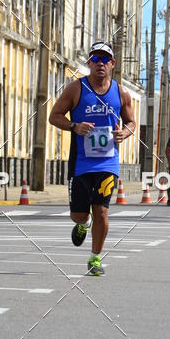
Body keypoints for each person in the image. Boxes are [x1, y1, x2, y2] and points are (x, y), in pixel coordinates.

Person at [48, 41, 136, 275]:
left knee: (102, 211)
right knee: (79, 214)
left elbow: (131, 122)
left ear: (112, 64)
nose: (100, 63)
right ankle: (83, 225)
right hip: (80, 162)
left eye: (105, 59)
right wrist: (74, 125)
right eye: (95, 59)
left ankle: (95, 258)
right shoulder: (76, 89)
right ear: (89, 63)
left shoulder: (120, 92)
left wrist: (124, 133)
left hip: (108, 162)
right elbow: (54, 116)